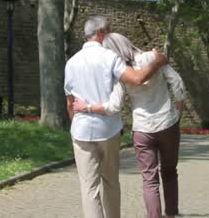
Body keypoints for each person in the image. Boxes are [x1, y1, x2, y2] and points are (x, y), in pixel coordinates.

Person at [64, 15, 168, 218]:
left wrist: (74, 126)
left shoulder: (71, 63)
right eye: (109, 31)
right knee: (111, 181)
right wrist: (157, 63)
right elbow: (137, 79)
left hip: (81, 130)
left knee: (88, 187)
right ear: (101, 32)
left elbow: (70, 102)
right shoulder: (109, 58)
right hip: (108, 129)